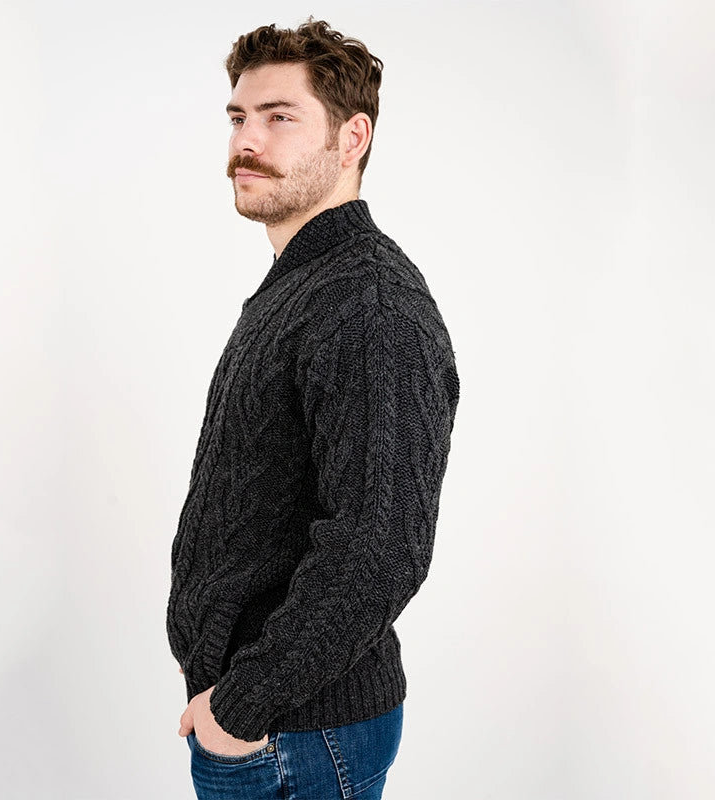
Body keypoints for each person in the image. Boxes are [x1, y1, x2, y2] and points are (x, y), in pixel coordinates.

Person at [166, 17, 460, 800]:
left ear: (352, 137)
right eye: (238, 117)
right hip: (277, 724)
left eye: (279, 117)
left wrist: (241, 706)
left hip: (294, 733)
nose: (246, 140)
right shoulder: (307, 283)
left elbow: (381, 547)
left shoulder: (367, 301)